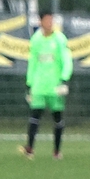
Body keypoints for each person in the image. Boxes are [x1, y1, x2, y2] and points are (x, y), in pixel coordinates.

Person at [18, 10, 72, 160]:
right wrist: (29, 84)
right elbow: (33, 63)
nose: (49, 23)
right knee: (35, 115)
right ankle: (30, 149)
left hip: (55, 85)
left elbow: (66, 59)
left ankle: (56, 151)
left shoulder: (59, 39)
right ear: (40, 22)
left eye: (51, 20)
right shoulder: (36, 40)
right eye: (47, 20)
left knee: (57, 117)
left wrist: (64, 79)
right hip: (39, 85)